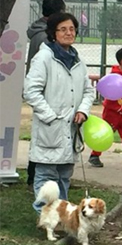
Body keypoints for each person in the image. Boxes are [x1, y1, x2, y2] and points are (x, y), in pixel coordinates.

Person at [24, 12, 95, 214]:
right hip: (51, 127)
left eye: (72, 29)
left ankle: (61, 217)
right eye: (63, 29)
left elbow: (88, 91)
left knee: (64, 175)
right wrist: (50, 116)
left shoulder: (77, 60)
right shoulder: (44, 58)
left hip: (71, 128)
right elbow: (31, 91)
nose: (68, 33)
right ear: (53, 33)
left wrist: (82, 111)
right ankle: (45, 215)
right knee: (46, 175)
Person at [25, 0, 66, 188]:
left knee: (45, 134)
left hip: (45, 88)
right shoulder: (45, 37)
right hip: (46, 90)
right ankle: (37, 176)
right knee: (45, 136)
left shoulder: (38, 32)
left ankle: (39, 175)